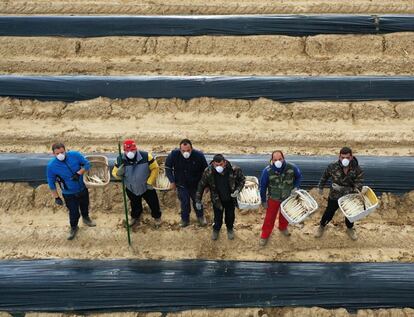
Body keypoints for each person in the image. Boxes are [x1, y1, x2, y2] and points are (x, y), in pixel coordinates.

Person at [46, 143, 96, 240]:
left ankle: (86, 218)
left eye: (62, 152)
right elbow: (51, 183)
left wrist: (79, 173)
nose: (60, 155)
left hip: (82, 188)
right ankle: (73, 227)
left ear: (66, 150)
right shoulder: (51, 166)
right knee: (73, 213)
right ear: (53, 154)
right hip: (69, 193)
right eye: (57, 154)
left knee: (85, 205)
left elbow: (87, 164)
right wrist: (56, 197)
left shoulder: (75, 155)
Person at [315, 147, 364, 240]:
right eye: (342, 157)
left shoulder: (357, 170)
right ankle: (322, 226)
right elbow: (324, 176)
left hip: (349, 197)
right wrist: (320, 186)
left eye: (347, 157)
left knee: (350, 215)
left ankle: (350, 229)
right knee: (329, 212)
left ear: (351, 157)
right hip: (334, 196)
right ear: (339, 157)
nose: (345, 160)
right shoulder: (333, 166)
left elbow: (358, 188)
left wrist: (342, 189)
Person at [112, 139, 162, 228]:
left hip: (147, 186)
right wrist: (118, 174)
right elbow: (114, 173)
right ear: (124, 151)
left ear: (136, 149)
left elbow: (155, 168)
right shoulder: (120, 160)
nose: (130, 152)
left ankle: (157, 217)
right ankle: (135, 217)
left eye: (132, 150)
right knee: (135, 204)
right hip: (131, 188)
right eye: (127, 151)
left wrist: (150, 181)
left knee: (153, 203)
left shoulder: (146, 156)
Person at [195, 154, 245, 241]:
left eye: (221, 164)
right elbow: (201, 185)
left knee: (230, 216)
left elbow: (242, 180)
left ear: (225, 162)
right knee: (217, 217)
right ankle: (216, 230)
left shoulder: (234, 169)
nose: (219, 167)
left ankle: (230, 229)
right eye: (216, 165)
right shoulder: (208, 171)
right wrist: (198, 200)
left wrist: (237, 190)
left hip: (230, 198)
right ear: (213, 163)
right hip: (217, 199)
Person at [259, 150, 302, 246]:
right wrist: (263, 200)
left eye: (280, 159)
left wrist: (296, 187)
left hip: (287, 198)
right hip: (273, 198)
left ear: (283, 158)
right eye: (275, 160)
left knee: (285, 215)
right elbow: (263, 186)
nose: (278, 161)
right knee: (269, 218)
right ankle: (265, 235)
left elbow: (299, 177)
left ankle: (283, 227)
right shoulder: (267, 171)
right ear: (272, 160)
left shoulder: (292, 168)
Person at [165, 139, 208, 227]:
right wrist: (172, 181)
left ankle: (200, 216)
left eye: (188, 150)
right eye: (183, 151)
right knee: (184, 202)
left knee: (197, 201)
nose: (186, 153)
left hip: (195, 184)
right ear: (180, 149)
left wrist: (206, 184)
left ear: (192, 148)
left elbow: (206, 170)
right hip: (181, 184)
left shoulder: (199, 155)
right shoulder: (174, 154)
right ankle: (185, 219)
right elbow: (168, 167)